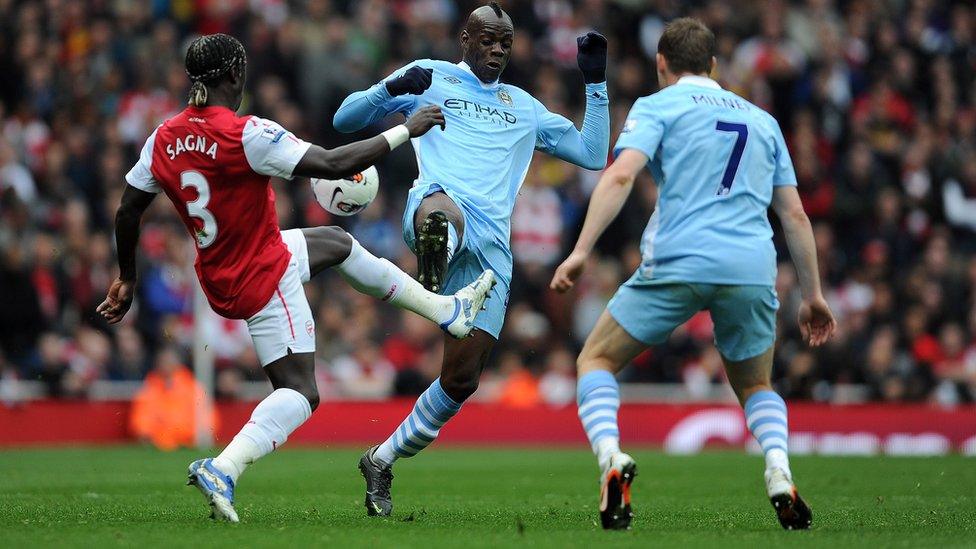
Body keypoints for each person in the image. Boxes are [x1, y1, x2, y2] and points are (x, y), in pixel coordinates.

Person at [97, 33, 495, 523]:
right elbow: (332, 164)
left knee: (337, 244)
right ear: (236, 77)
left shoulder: (163, 137)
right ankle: (224, 467)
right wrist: (403, 131)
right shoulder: (246, 134)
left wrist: (127, 277)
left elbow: (127, 208)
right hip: (262, 272)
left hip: (222, 268)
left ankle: (447, 310)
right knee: (300, 392)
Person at [549, 18, 836, 531]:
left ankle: (612, 458)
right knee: (755, 384)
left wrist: (580, 250)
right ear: (715, 66)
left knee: (595, 358)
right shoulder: (763, 120)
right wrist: (812, 295)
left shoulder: (659, 105)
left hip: (680, 257)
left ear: (662, 65)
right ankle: (777, 467)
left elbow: (620, 174)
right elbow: (794, 214)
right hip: (751, 266)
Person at [333, 2, 610, 516]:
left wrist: (594, 82)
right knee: (442, 216)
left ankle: (381, 459)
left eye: (506, 42)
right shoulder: (430, 76)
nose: (499, 49)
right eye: (488, 39)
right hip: (440, 203)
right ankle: (435, 255)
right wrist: (390, 91)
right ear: (465, 39)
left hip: (493, 251)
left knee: (461, 382)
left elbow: (594, 154)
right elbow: (344, 118)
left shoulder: (523, 106)